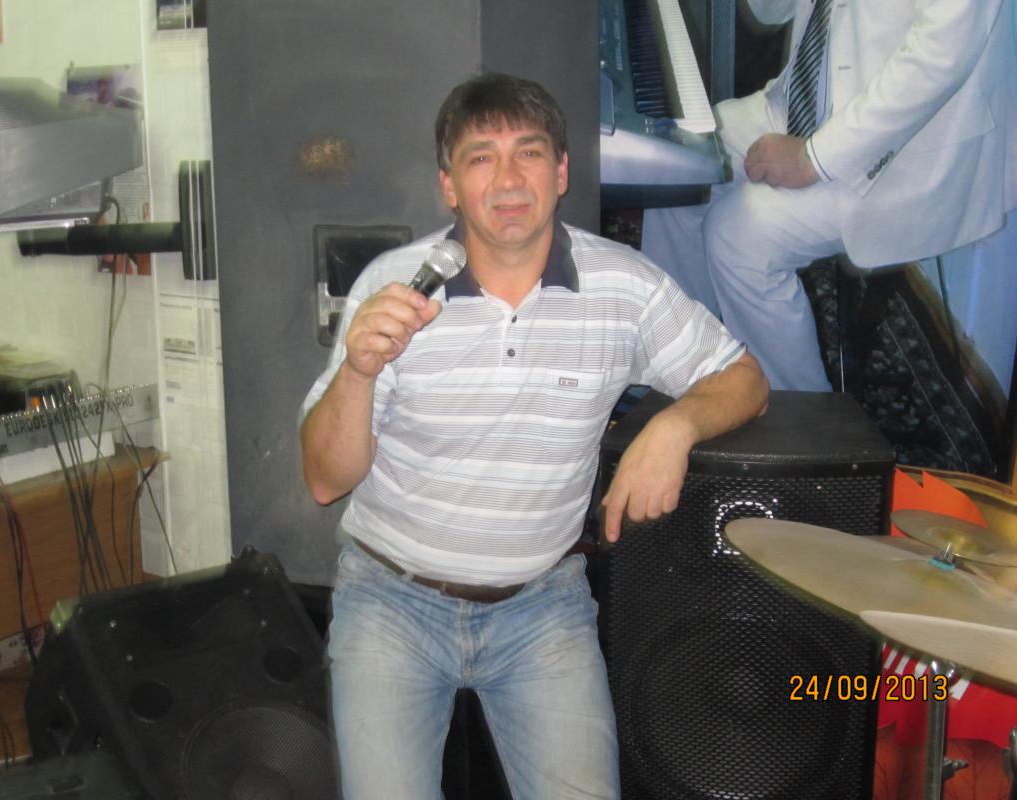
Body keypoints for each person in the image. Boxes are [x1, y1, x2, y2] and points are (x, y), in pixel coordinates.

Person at [298, 73, 769, 799]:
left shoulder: (624, 288)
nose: (509, 178)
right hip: (392, 602)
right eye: (480, 158)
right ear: (449, 186)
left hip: (541, 607)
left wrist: (674, 425)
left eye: (529, 152)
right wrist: (358, 372)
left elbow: (742, 377)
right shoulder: (394, 287)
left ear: (561, 171)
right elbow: (326, 481)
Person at [641, 0, 1017, 391]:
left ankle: (797, 421)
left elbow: (939, 58)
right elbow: (773, 11)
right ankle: (680, 371)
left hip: (911, 149)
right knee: (677, 164)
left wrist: (814, 157)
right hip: (807, 104)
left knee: (740, 236)